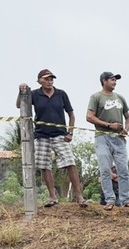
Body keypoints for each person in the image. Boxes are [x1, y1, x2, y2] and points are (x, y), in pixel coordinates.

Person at [16, 69, 86, 208]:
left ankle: (79, 196)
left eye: (51, 79)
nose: (49, 81)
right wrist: (20, 91)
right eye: (46, 79)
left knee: (70, 162)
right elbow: (19, 105)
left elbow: (71, 114)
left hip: (60, 134)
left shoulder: (61, 94)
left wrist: (70, 133)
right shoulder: (34, 94)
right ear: (39, 81)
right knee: (44, 165)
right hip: (42, 135)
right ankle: (52, 196)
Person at [86, 71, 129, 209]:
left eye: (115, 79)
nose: (114, 82)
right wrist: (108, 125)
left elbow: (128, 118)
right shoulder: (96, 97)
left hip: (119, 138)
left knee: (123, 170)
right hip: (102, 136)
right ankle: (110, 200)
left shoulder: (120, 98)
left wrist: (126, 129)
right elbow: (89, 116)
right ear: (104, 81)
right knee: (105, 169)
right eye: (112, 79)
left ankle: (126, 200)